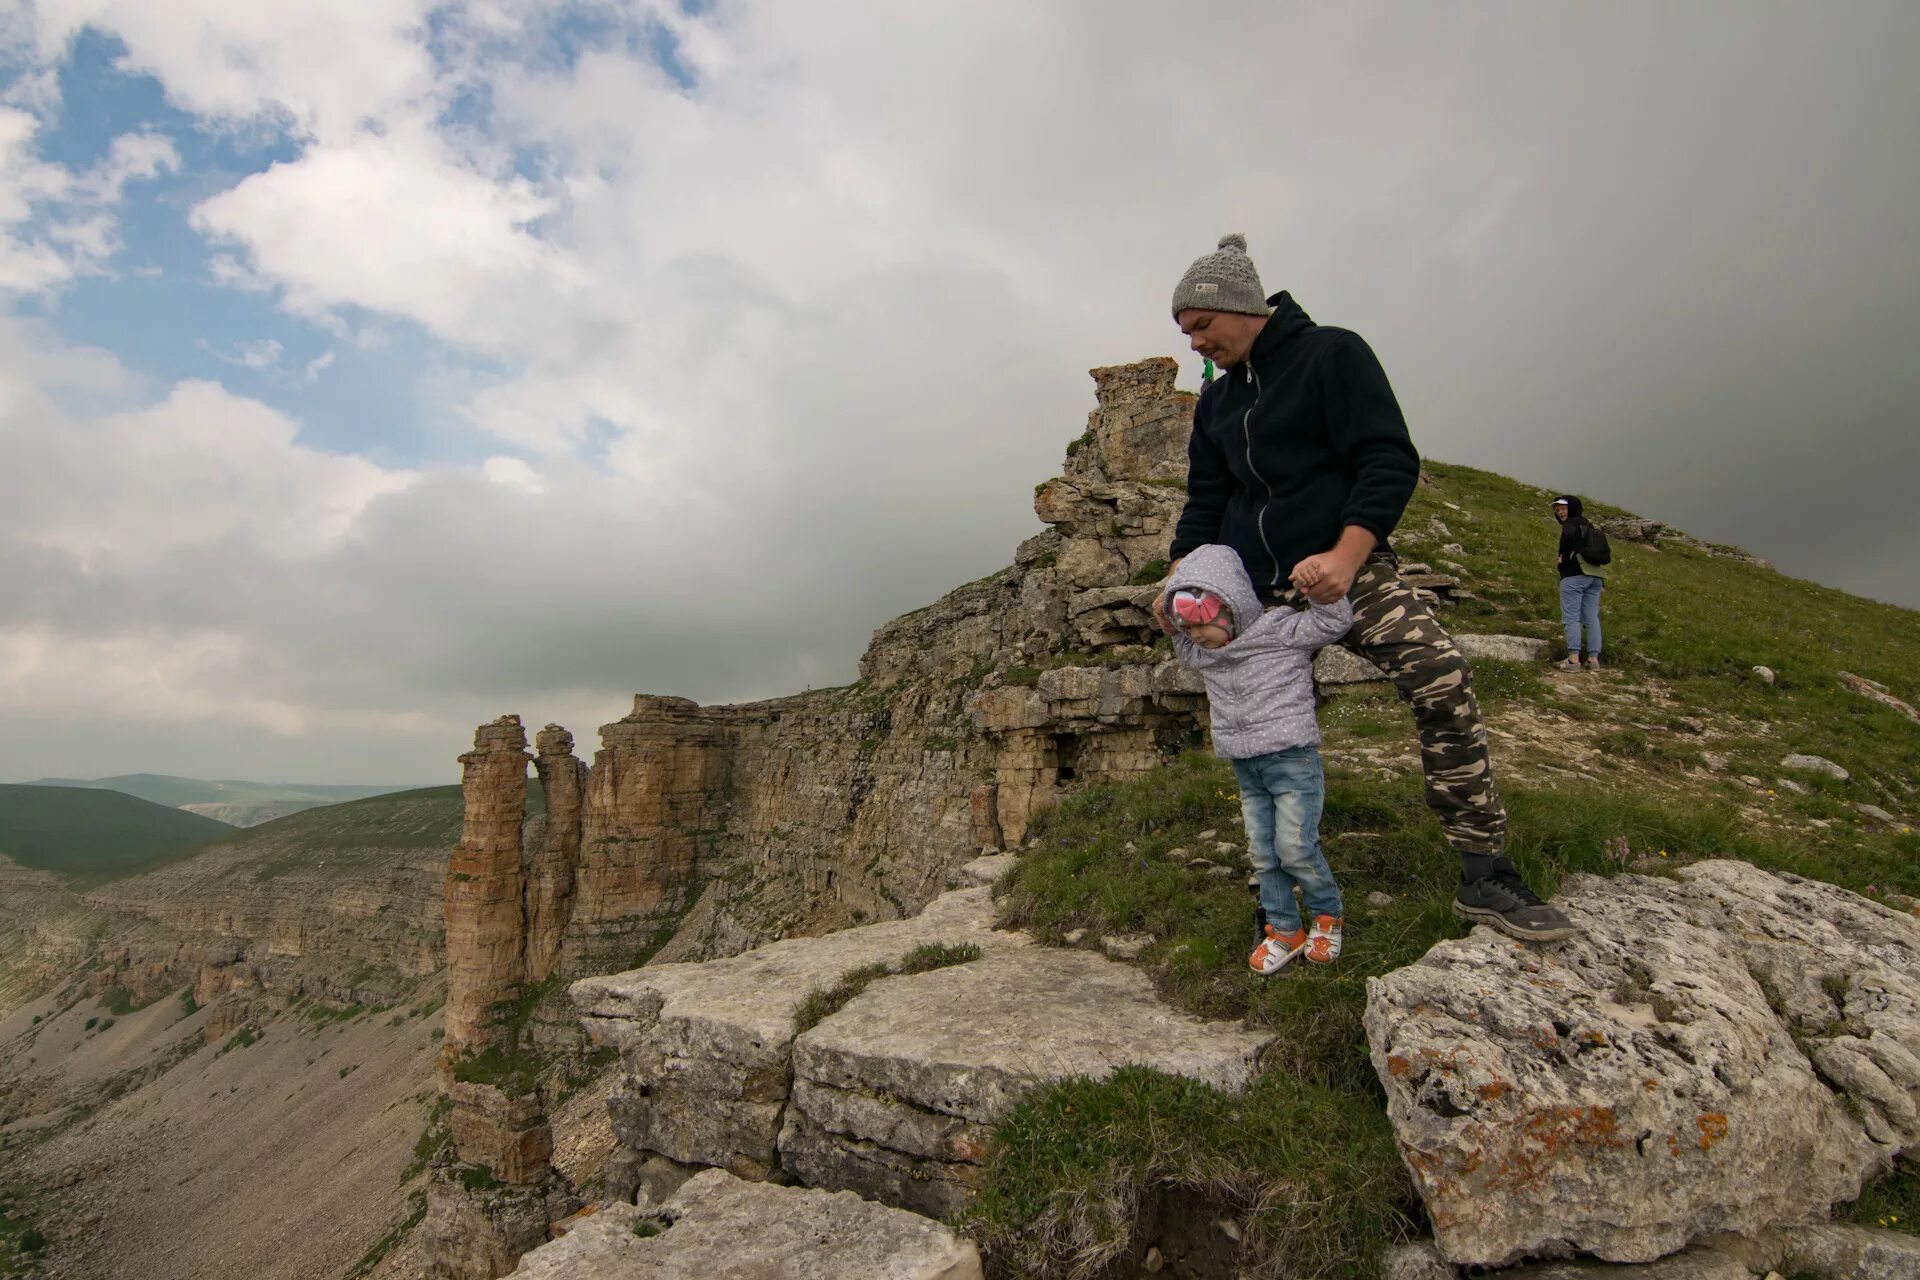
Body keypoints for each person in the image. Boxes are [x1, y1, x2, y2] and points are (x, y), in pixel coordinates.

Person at [1155, 233, 1577, 944]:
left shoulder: (1332, 355)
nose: (1195, 343)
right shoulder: (1218, 406)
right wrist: (1184, 578)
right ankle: (1279, 890)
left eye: (1201, 325)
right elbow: (1205, 503)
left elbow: (1385, 458)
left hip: (1343, 571)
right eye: (1185, 331)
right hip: (1252, 594)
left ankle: (1485, 872)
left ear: (1240, 306)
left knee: (1439, 674)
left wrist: (1348, 559)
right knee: (1254, 734)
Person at [1163, 544, 1353, 973]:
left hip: (1291, 761)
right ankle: (1285, 930)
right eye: (1187, 628)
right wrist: (1168, 617)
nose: (1196, 636)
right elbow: (1184, 648)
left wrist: (1318, 584)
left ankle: (1327, 916)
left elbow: (1334, 621)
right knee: (1264, 854)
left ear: (1233, 608)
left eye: (1202, 625)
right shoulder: (1209, 652)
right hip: (1247, 768)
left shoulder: (1281, 632)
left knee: (1296, 848)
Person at [1553, 496, 1603, 671]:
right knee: (1591, 618)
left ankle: (1573, 659)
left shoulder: (1570, 525)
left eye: (1563, 509)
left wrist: (1562, 558)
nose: (1560, 513)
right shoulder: (1588, 526)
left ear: (1572, 508)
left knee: (1571, 617)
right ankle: (1593, 659)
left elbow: (1567, 537)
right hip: (1595, 576)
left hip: (1574, 576)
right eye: (1558, 510)